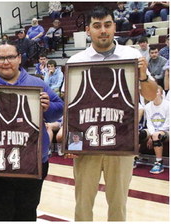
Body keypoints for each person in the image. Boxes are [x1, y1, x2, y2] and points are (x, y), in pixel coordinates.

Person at [65, 6, 158, 221]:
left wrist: (143, 76)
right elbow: (72, 109)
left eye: (107, 25)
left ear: (114, 26)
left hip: (122, 144)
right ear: (88, 30)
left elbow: (152, 96)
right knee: (83, 205)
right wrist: (72, 143)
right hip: (88, 145)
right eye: (97, 26)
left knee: (118, 205)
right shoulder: (76, 61)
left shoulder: (132, 56)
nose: (103, 30)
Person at [0, 41, 64, 221]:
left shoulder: (37, 84)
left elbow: (59, 108)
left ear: (19, 59)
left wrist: (48, 108)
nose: (6, 62)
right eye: (1, 58)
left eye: (10, 57)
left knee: (26, 215)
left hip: (31, 164)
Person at [142, 85, 169, 174]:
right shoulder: (147, 106)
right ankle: (135, 158)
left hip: (167, 130)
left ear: (161, 93)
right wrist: (151, 135)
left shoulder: (168, 105)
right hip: (153, 130)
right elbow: (149, 123)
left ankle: (159, 162)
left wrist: (154, 135)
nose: (154, 93)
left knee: (156, 135)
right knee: (138, 133)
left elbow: (168, 123)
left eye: (156, 91)